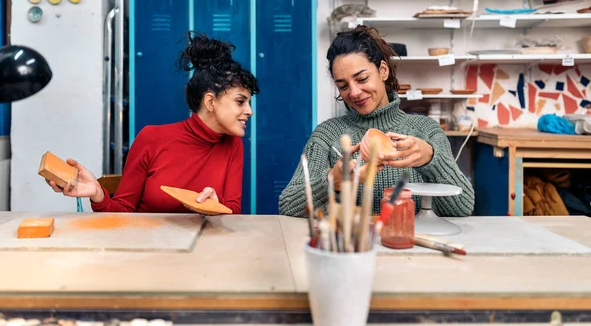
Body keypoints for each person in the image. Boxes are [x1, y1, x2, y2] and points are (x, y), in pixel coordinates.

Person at [46, 33, 259, 214]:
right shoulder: (151, 139)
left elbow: (233, 213)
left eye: (249, 103)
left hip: (203, 255)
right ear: (210, 101)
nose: (249, 111)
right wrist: (98, 194)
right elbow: (123, 211)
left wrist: (218, 205)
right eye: (241, 102)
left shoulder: (233, 146)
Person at [279, 25, 474, 217]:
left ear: (383, 70)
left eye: (362, 79)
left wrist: (432, 159)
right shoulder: (328, 134)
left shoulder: (425, 131)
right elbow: (287, 205)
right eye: (343, 85)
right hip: (353, 247)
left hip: (409, 245)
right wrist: (331, 181)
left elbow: (463, 207)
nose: (354, 92)